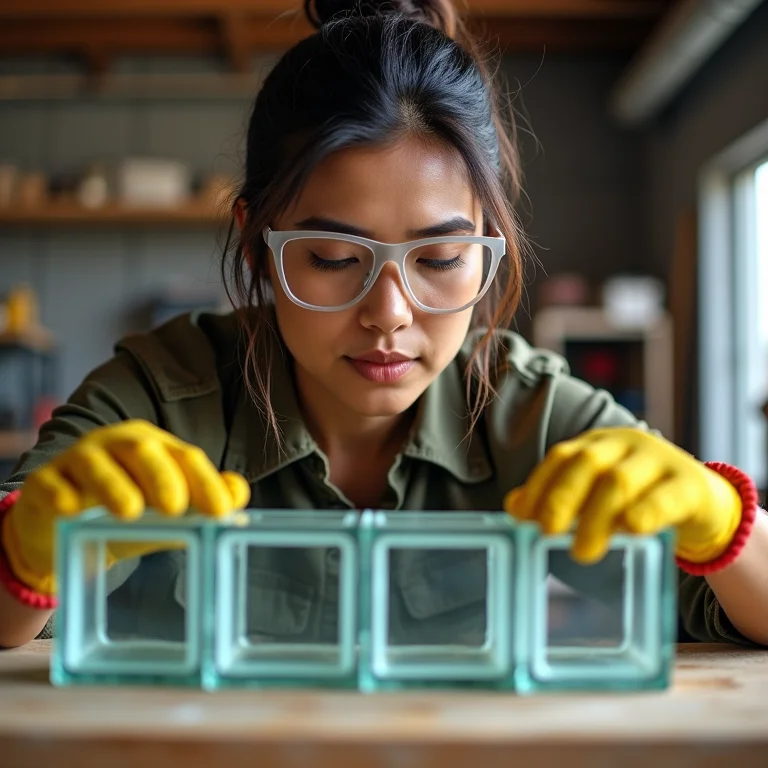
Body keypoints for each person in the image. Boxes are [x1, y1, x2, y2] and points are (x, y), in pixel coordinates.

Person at [0, 0, 764, 651]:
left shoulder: (522, 408)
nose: (390, 315)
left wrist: (721, 521)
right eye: (333, 257)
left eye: (441, 258)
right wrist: (27, 554)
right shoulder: (162, 393)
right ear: (257, 245)